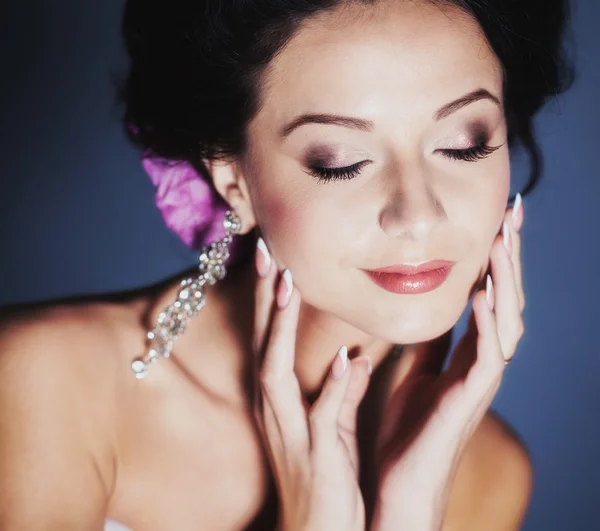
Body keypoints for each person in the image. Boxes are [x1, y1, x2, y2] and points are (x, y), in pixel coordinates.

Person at [0, 0, 574, 530]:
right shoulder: (44, 387)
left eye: (464, 143)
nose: (418, 215)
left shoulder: (490, 474)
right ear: (235, 181)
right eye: (341, 162)